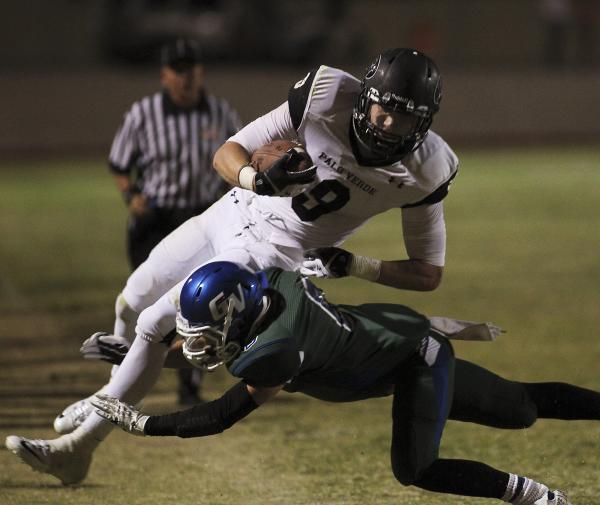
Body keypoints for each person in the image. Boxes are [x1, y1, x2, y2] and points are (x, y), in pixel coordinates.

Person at [5, 48, 459, 485]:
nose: (389, 124)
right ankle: (109, 392)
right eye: (384, 108)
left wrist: (355, 264)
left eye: (406, 117)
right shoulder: (324, 96)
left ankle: (79, 447)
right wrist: (257, 178)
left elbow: (427, 273)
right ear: (364, 96)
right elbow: (229, 152)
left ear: (425, 122)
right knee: (131, 298)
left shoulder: (426, 171)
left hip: (268, 252)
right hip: (231, 211)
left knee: (154, 321)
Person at [86, 261, 587, 504]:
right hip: (398, 341)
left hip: (416, 357)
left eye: (207, 331)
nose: (198, 344)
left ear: (237, 316)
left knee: (415, 467)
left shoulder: (274, 350)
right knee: (518, 407)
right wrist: (141, 352)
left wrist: (143, 423)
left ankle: (534, 498)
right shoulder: (273, 289)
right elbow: (212, 350)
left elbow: (221, 415)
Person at [79, 37, 242, 417]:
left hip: (199, 218)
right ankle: (122, 376)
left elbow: (238, 153)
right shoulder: (143, 114)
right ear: (165, 75)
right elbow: (120, 162)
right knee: (144, 301)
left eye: (193, 70)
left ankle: (189, 384)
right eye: (179, 71)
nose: (187, 79)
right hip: (155, 220)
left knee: (197, 303)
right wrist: (131, 196)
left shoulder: (220, 113)